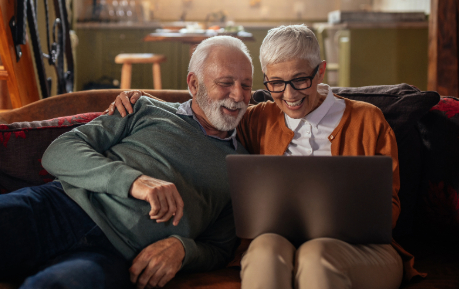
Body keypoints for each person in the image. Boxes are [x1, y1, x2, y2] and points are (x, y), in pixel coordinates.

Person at [0, 35, 254, 289]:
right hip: (53, 209)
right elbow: (60, 152)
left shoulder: (242, 166)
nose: (237, 96)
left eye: (246, 85)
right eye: (225, 82)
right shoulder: (144, 109)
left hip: (114, 254)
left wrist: (184, 248)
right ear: (193, 84)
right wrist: (134, 180)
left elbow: (219, 246)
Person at [110, 25, 423, 289]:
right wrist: (145, 100)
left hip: (362, 250)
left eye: (301, 79)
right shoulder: (256, 118)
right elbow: (204, 112)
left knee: (316, 255)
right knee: (263, 252)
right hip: (276, 241)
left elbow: (389, 208)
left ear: (321, 71)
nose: (289, 95)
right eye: (275, 83)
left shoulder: (368, 119)